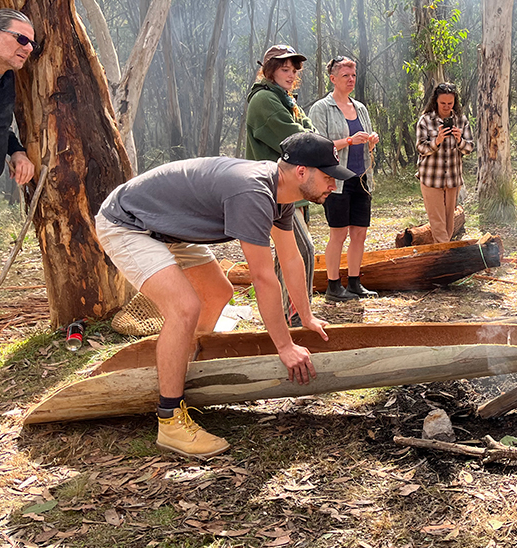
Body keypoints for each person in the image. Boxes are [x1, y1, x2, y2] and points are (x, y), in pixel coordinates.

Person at [96, 133, 355, 458]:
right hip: (128, 223)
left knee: (218, 292)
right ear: (301, 172)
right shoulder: (253, 191)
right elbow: (263, 277)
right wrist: (285, 346)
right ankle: (170, 420)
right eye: (328, 176)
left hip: (169, 226)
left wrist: (305, 315)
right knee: (185, 308)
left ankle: (185, 366)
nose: (333, 185)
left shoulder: (281, 194)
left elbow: (289, 258)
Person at [245, 44, 316, 325]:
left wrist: (308, 137)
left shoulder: (287, 99)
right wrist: (308, 138)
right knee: (303, 250)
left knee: (284, 257)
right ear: (269, 71)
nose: (290, 74)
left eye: (293, 70)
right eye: (284, 69)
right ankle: (298, 315)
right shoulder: (264, 100)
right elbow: (297, 139)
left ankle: (282, 316)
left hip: (291, 189)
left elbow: (309, 131)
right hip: (272, 190)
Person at [309, 56, 380, 301]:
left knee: (359, 232)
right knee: (338, 234)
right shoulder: (321, 108)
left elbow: (367, 144)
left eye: (353, 75)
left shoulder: (360, 108)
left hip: (361, 178)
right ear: (333, 79)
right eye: (345, 76)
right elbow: (318, 146)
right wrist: (349, 140)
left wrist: (371, 140)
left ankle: (355, 283)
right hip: (336, 180)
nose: (351, 80)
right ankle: (333, 285)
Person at [415, 82, 475, 244]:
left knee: (448, 225)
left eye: (450, 103)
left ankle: (440, 257)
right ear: (435, 101)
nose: (447, 106)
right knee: (438, 223)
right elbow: (421, 148)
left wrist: (459, 139)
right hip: (431, 178)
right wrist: (437, 140)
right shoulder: (425, 120)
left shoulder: (461, 120)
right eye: (443, 103)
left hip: (453, 180)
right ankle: (445, 257)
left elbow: (469, 148)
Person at [0, 9, 37, 241]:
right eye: (21, 39)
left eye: (31, 42)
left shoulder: (6, 78)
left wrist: (17, 151)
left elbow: (0, 125)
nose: (29, 48)